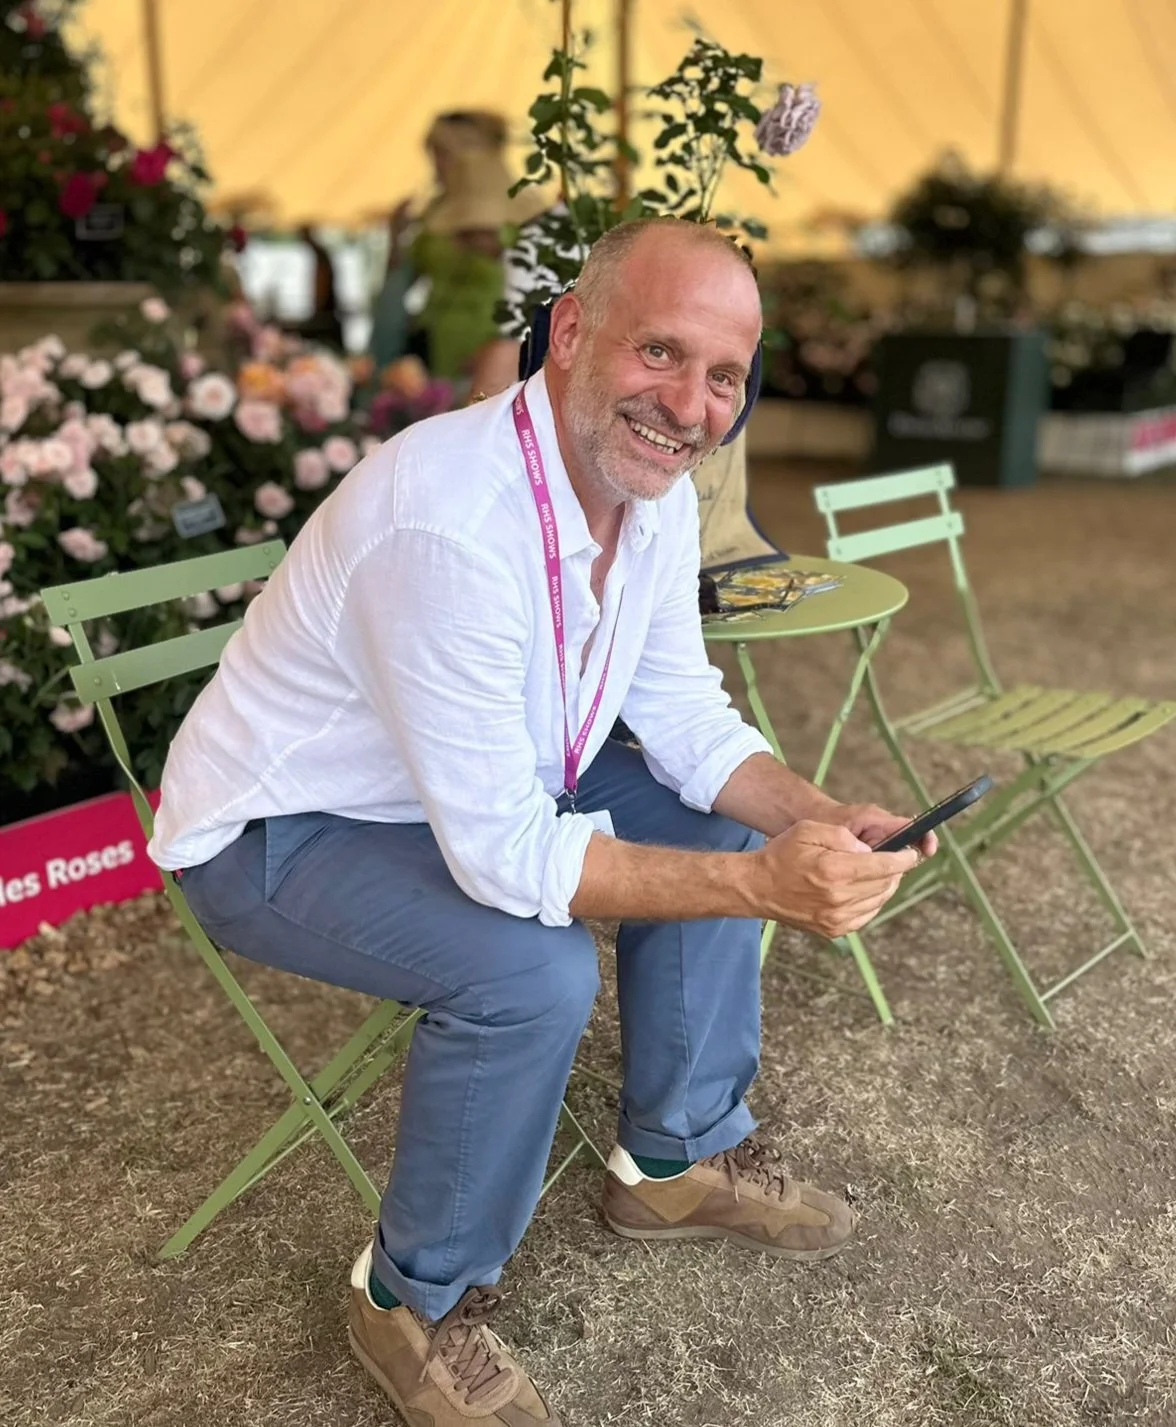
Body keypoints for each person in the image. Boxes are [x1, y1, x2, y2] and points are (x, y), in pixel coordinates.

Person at [149, 217, 933, 1427]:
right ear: (570, 333)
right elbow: (510, 857)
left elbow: (682, 714)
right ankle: (410, 1295)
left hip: (474, 779)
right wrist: (768, 889)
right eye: (659, 352)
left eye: (724, 376)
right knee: (532, 968)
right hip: (277, 826)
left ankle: (673, 1158)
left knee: (715, 825)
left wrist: (822, 817)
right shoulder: (447, 518)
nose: (689, 405)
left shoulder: (656, 491)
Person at [369, 110, 549, 383]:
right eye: (433, 155)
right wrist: (396, 240)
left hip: (498, 354)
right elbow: (397, 291)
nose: (436, 165)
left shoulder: (526, 213)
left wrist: (503, 347)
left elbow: (537, 293)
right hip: (433, 354)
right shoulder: (432, 214)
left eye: (443, 154)